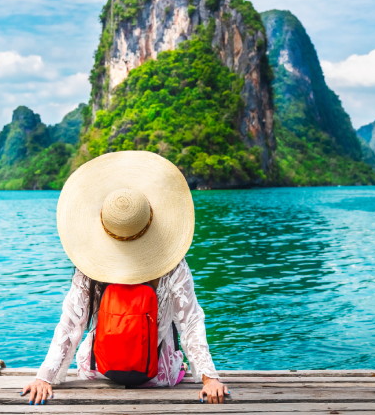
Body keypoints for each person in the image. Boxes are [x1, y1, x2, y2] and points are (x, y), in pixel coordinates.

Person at [21, 151, 230, 406]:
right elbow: (190, 322)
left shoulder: (89, 265)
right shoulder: (172, 264)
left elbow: (71, 325)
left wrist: (45, 378)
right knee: (177, 345)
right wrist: (209, 379)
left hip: (97, 371)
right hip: (156, 376)